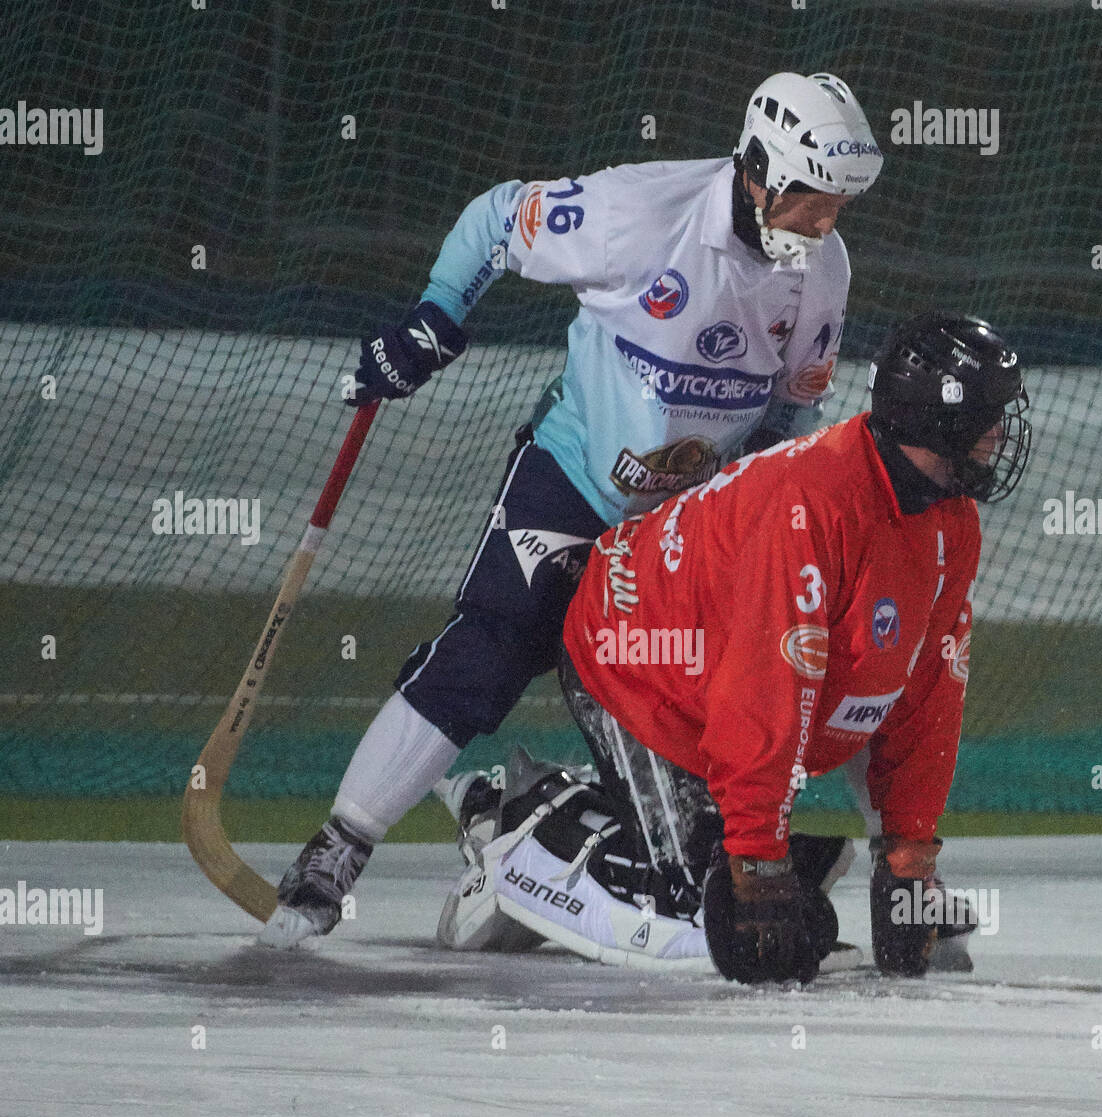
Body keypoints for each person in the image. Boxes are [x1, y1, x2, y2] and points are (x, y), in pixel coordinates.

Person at [261, 72, 885, 949]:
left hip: (686, 523)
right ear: (758, 170)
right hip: (577, 481)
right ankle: (340, 845)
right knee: (493, 646)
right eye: (813, 201)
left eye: (839, 206)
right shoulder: (638, 213)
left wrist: (750, 505)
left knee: (722, 675)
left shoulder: (824, 270)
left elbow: (790, 410)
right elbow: (498, 217)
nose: (826, 224)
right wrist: (435, 320)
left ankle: (549, 817)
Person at [441, 311, 1032, 984]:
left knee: (747, 872)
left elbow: (927, 696)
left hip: (717, 684)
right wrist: (755, 861)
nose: (1000, 435)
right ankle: (529, 824)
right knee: (691, 904)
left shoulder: (950, 520)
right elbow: (767, 689)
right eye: (989, 417)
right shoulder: (810, 504)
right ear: (939, 424)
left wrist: (908, 861)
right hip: (636, 661)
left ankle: (608, 816)